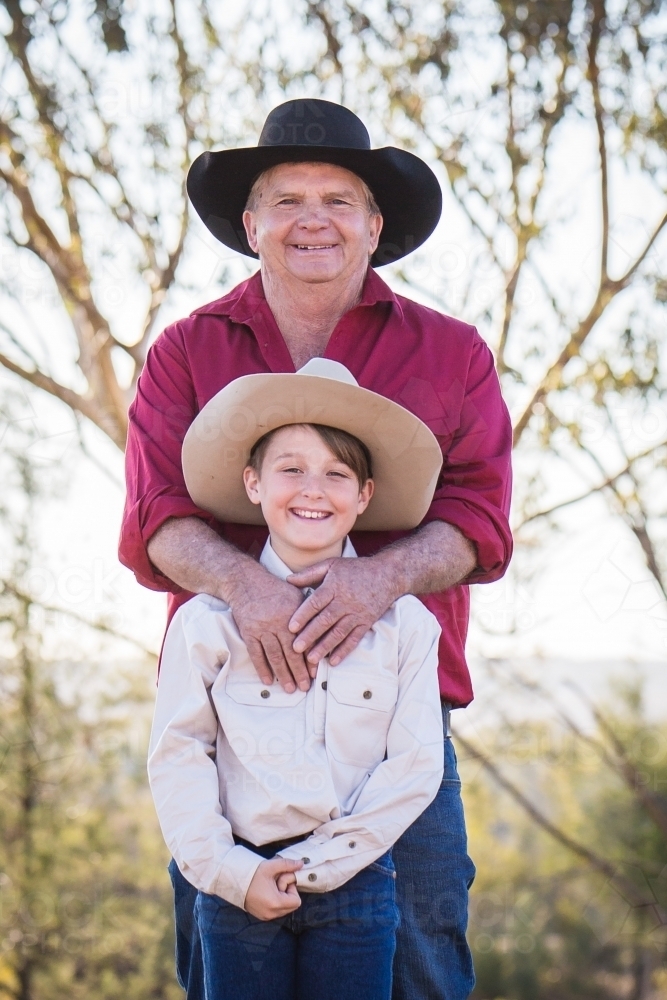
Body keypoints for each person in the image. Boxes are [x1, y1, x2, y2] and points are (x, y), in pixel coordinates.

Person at [119, 98, 513, 1000]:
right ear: (249, 224)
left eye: (338, 199)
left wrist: (380, 581)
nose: (313, 220)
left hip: (393, 728)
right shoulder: (184, 351)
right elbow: (155, 517)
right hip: (230, 728)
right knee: (227, 963)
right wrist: (241, 587)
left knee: (417, 967)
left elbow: (481, 514)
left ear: (375, 225)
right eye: (286, 199)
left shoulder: (450, 352)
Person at [148, 359, 446, 1000]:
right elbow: (179, 755)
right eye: (291, 469)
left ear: (363, 496)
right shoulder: (205, 624)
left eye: (337, 473)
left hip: (356, 884)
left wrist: (321, 865)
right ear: (253, 483)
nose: (314, 489)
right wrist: (228, 871)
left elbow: (416, 765)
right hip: (238, 884)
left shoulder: (407, 628)